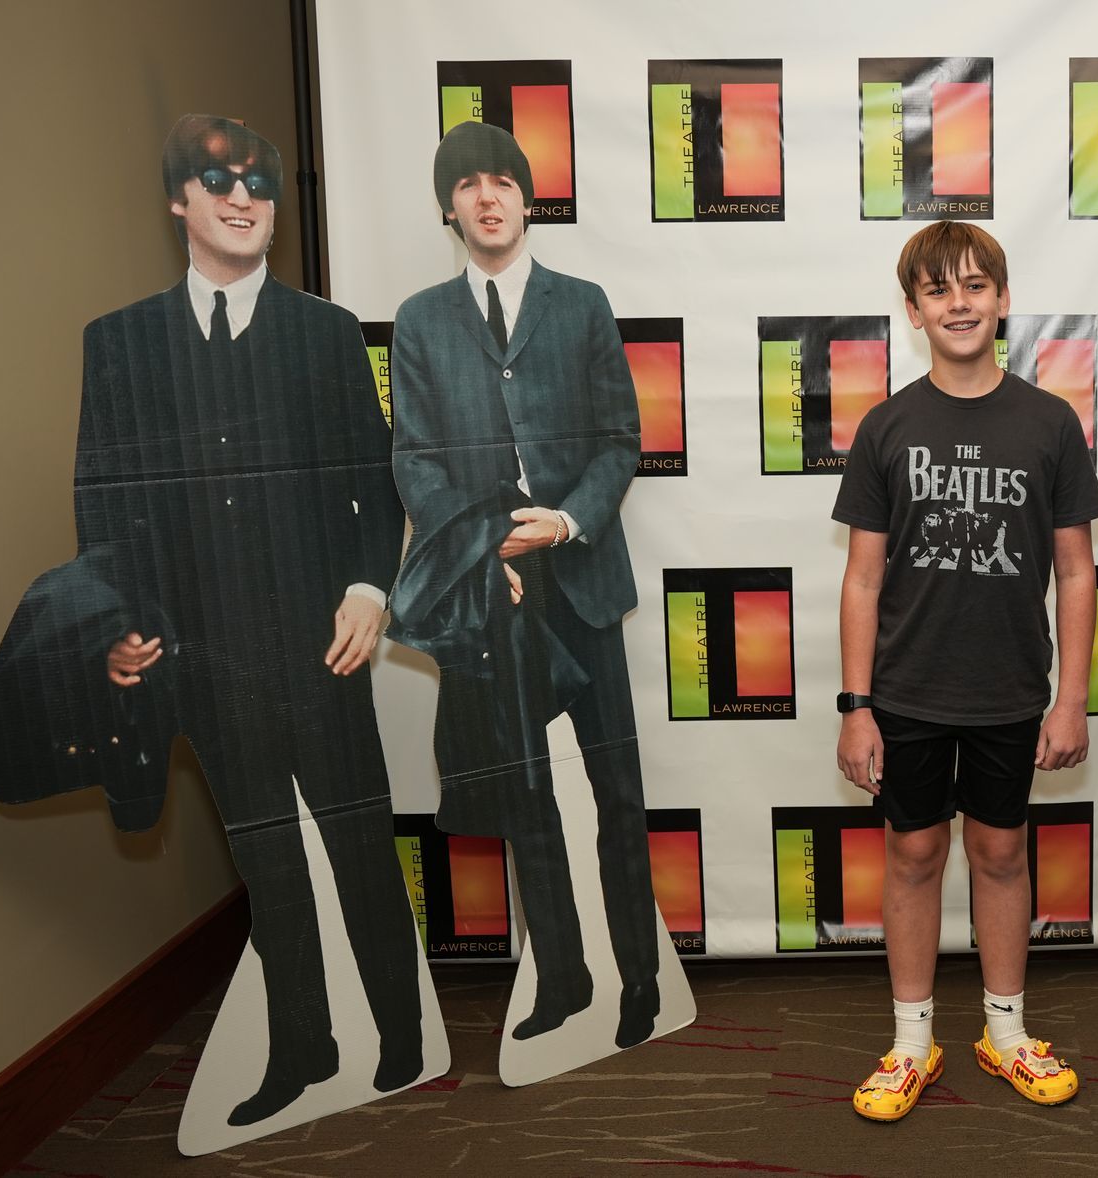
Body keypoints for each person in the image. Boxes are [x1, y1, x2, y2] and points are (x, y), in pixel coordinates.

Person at [79, 114, 423, 1125]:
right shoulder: (120, 343)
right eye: (216, 179)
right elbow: (100, 497)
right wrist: (123, 617)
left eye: (259, 184)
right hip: (204, 657)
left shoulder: (326, 332)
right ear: (179, 200)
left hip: (325, 647)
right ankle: (304, 1049)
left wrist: (369, 589)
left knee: (359, 843)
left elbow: (378, 479)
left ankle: (402, 1037)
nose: (241, 197)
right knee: (267, 862)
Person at [386, 120, 659, 1050]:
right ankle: (567, 982)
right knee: (530, 797)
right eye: (469, 184)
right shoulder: (421, 320)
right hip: (491, 592)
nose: (488, 195)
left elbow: (620, 440)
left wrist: (568, 519)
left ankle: (641, 982)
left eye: (504, 180)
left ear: (527, 198)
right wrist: (480, 548)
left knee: (618, 792)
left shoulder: (581, 305)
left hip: (579, 577)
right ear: (449, 206)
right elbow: (415, 459)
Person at [832, 221, 1098, 1120]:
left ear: (1002, 299)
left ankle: (1004, 1032)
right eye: (940, 289)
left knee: (999, 850)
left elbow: (1074, 569)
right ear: (913, 310)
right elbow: (863, 578)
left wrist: (1071, 698)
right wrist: (856, 706)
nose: (960, 302)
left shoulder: (1049, 421)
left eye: (976, 285)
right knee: (913, 853)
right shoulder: (886, 425)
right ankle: (913, 1043)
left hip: (1009, 691)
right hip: (907, 692)